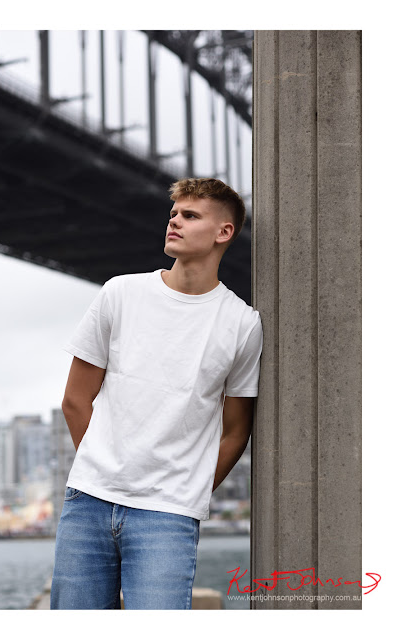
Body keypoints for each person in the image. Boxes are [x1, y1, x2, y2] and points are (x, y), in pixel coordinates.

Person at [50, 177, 263, 610]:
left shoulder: (242, 324)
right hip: (88, 501)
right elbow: (75, 399)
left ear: (224, 232)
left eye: (190, 215)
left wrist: (188, 492)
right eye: (173, 214)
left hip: (168, 515)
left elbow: (236, 431)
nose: (174, 222)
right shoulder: (120, 293)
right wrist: (106, 472)